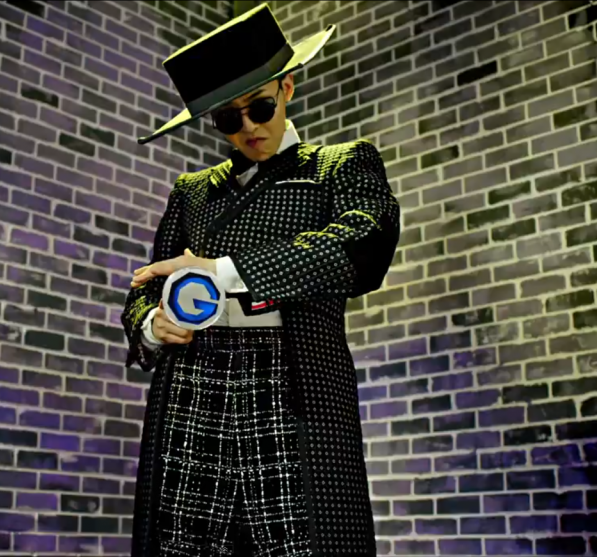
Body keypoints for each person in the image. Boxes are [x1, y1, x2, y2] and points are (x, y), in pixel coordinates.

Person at [121, 5, 401, 556]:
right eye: (229, 118)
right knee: (182, 543)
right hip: (192, 387)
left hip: (292, 383)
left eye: (261, 107)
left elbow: (364, 246)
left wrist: (224, 272)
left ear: (286, 88)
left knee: (306, 542)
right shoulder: (192, 191)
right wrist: (151, 324)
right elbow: (147, 284)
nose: (249, 127)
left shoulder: (339, 165)